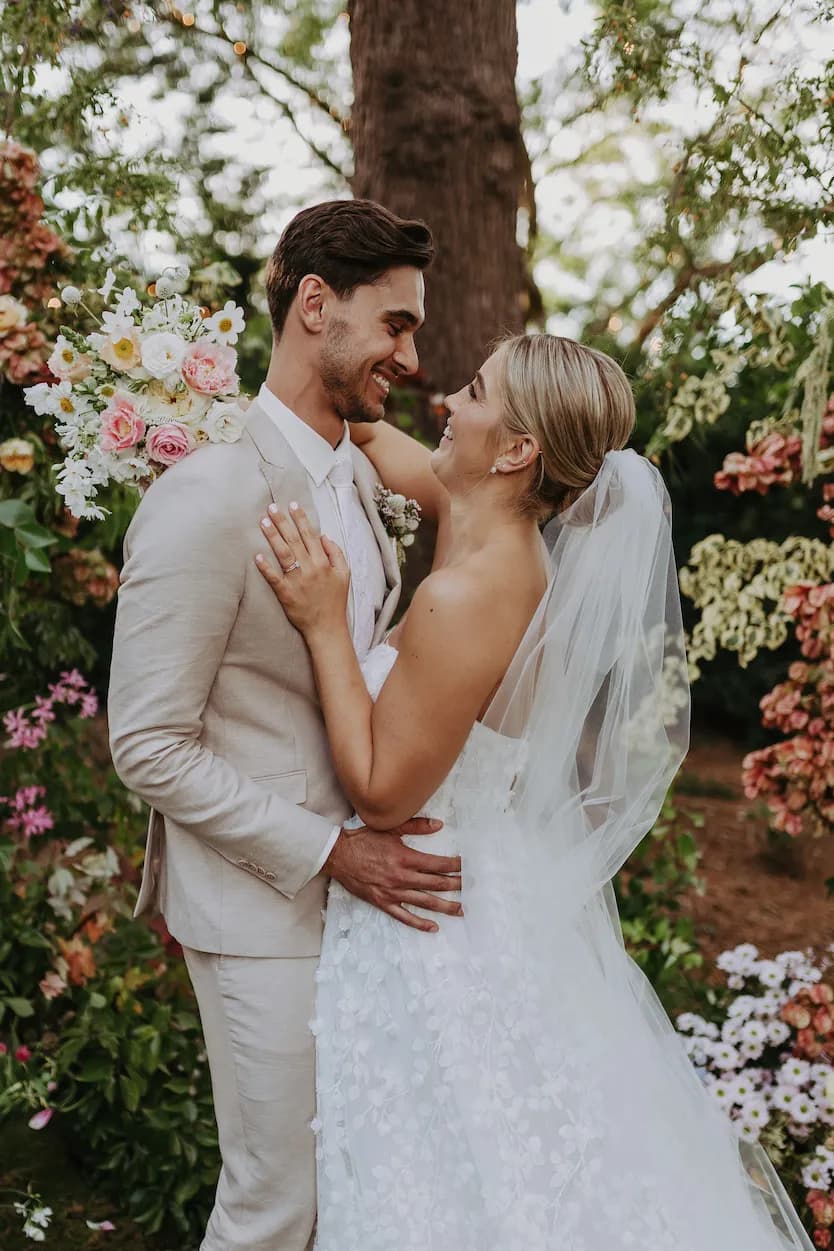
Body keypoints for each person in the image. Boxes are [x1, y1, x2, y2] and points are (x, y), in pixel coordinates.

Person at [256, 332, 814, 1250]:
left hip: (425, 907)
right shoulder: (486, 519)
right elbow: (379, 444)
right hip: (482, 878)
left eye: (474, 392)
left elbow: (384, 792)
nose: (448, 402)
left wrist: (325, 621)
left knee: (440, 1185)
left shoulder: (470, 592)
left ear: (516, 450)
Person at [107, 199, 465, 1251]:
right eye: (395, 323)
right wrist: (331, 852)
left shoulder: (358, 481)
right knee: (274, 1210)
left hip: (358, 916)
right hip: (260, 912)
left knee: (343, 1196)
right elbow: (146, 743)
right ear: (318, 305)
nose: (409, 352)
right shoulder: (210, 494)